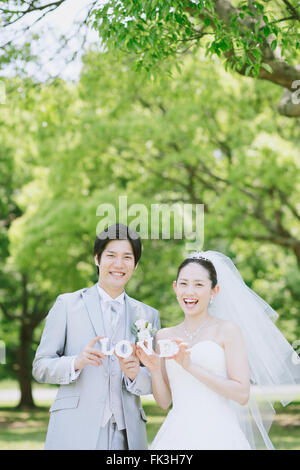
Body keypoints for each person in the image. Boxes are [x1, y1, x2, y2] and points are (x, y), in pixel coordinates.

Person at [136, 251, 300, 450]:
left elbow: (241, 394)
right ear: (175, 287)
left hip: (220, 434)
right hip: (176, 435)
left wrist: (190, 366)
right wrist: (154, 369)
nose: (190, 291)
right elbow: (163, 402)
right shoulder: (163, 336)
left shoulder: (227, 330)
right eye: (184, 283)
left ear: (214, 291)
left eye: (199, 284)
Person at [32, 223, 160, 450]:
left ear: (135, 264)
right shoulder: (67, 305)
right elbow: (40, 367)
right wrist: (76, 362)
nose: (119, 264)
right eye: (111, 255)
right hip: (74, 430)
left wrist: (134, 375)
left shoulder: (148, 315)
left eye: (127, 257)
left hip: (127, 435)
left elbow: (156, 378)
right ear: (97, 259)